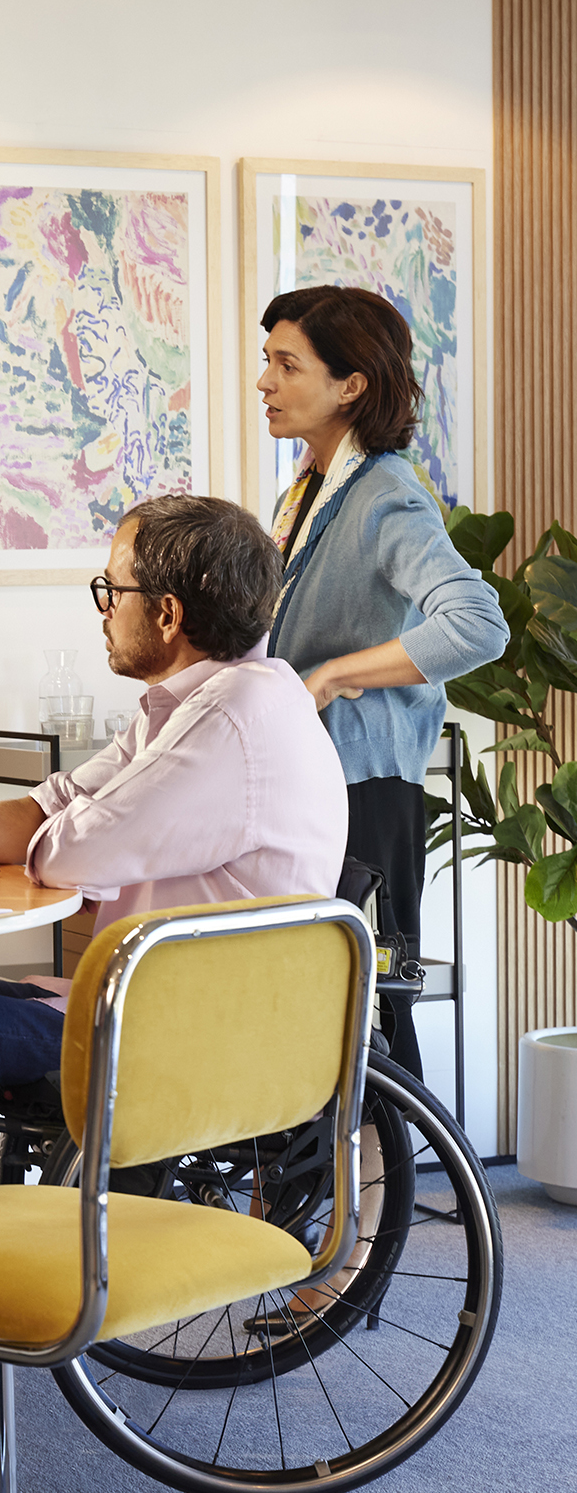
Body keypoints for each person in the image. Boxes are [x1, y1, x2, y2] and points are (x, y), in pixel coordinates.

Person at [0, 495, 348, 1207]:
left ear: (167, 614)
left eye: (112, 589)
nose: (102, 609)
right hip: (171, 1001)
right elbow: (58, 804)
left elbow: (75, 851)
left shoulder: (230, 719)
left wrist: (62, 830)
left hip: (194, 1032)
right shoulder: (199, 705)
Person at [258, 285, 506, 1078]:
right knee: (315, 1011)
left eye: (287, 365)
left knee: (377, 1014)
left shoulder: (386, 493)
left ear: (351, 385)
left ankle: (387, 1167)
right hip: (314, 783)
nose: (265, 381)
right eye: (267, 361)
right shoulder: (307, 492)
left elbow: (478, 623)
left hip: (366, 791)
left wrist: (335, 675)